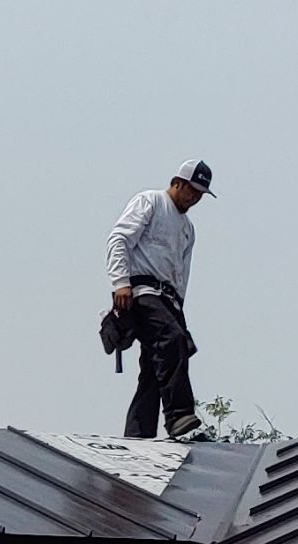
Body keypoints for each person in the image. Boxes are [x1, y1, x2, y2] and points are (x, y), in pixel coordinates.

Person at [106, 159, 215, 439]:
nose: (195, 198)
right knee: (172, 339)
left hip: (169, 299)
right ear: (177, 182)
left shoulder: (188, 229)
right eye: (192, 190)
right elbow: (119, 239)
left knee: (158, 364)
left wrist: (178, 307)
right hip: (142, 292)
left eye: (200, 194)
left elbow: (182, 272)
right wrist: (120, 283)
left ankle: (138, 434)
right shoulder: (151, 201)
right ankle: (178, 416)